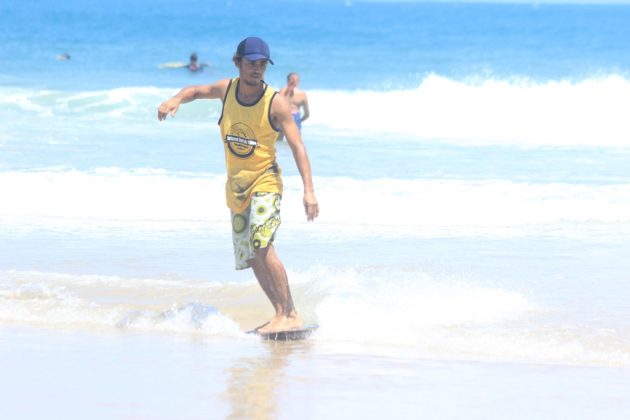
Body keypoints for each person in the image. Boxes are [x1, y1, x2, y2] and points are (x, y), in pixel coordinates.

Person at [157, 37, 319, 334]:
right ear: (238, 63)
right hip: (237, 186)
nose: (257, 69)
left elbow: (297, 146)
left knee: (261, 243)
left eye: (262, 65)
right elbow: (195, 90)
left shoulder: (276, 102)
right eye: (251, 63)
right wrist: (175, 99)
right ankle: (280, 313)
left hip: (266, 181)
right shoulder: (227, 89)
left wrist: (309, 191)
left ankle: (291, 313)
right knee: (251, 255)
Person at [278, 72, 310, 141]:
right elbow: (307, 115)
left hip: (282, 117)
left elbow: (275, 108)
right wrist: (299, 121)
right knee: (296, 144)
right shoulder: (302, 94)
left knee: (278, 141)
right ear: (298, 81)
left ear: (287, 81)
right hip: (295, 117)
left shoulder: (281, 91)